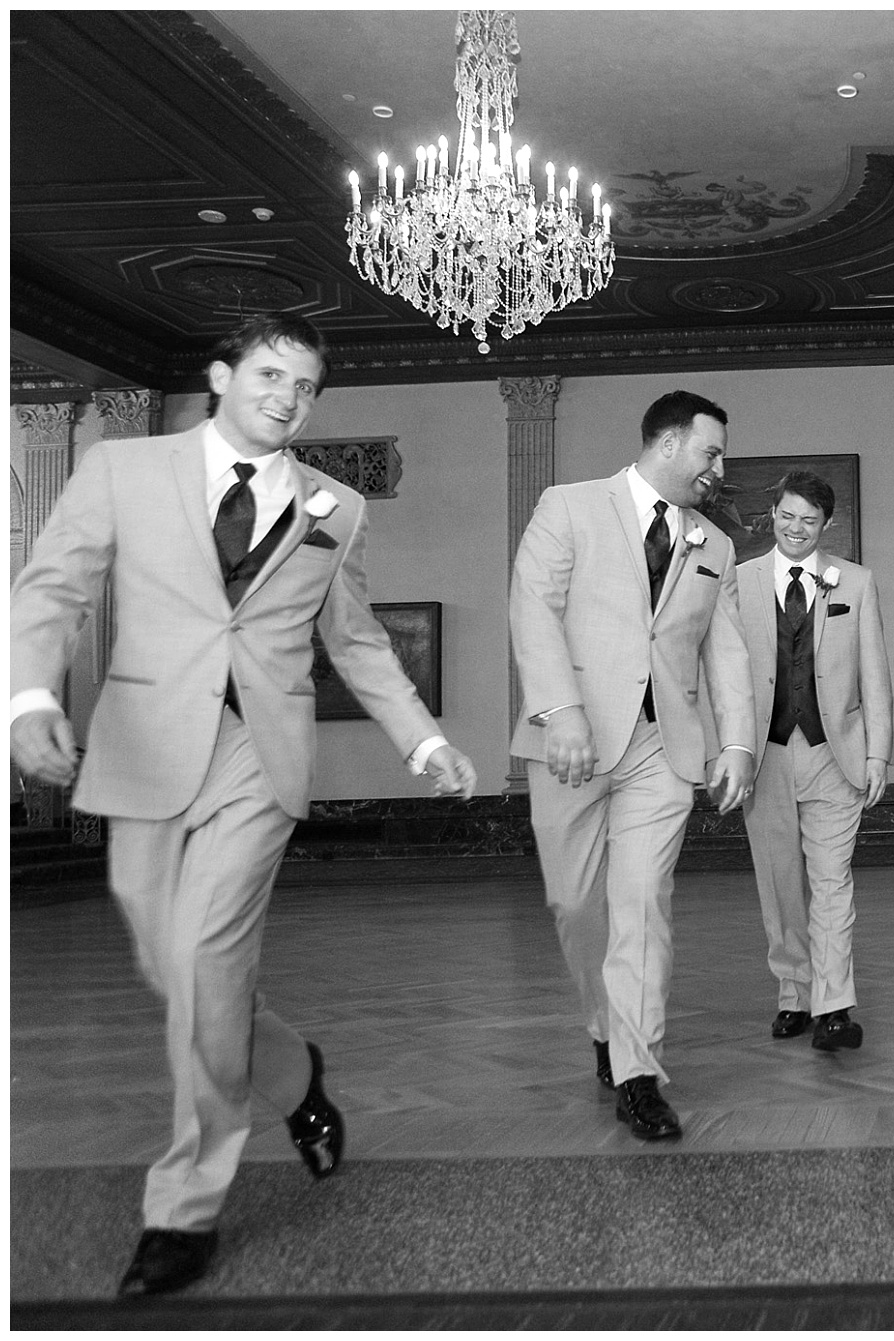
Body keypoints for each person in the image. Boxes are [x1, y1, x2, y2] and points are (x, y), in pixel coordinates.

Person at [9, 313, 479, 1297]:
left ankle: (182, 1210)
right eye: (269, 374)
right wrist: (29, 695)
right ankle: (294, 1075)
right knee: (172, 967)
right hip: (142, 748)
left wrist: (423, 739)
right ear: (223, 375)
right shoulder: (124, 474)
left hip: (258, 758)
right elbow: (51, 586)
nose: (285, 397)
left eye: (304, 387)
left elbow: (354, 642)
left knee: (207, 960)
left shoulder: (336, 507)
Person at [509, 389, 755, 1144]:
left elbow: (728, 649)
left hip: (664, 748)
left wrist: (738, 743)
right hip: (571, 743)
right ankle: (603, 1023)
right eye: (711, 451)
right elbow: (532, 608)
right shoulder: (569, 505)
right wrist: (562, 712)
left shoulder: (715, 546)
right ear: (670, 443)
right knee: (576, 904)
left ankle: (639, 1071)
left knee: (643, 901)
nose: (719, 467)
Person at [734, 471, 891, 1051]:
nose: (796, 529)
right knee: (780, 885)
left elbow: (874, 672)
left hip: (835, 753)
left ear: (827, 525)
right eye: (786, 516)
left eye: (809, 521)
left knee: (832, 884)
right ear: (771, 515)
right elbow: (721, 672)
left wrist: (877, 753)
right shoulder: (739, 581)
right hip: (764, 756)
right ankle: (793, 994)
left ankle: (832, 1006)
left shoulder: (856, 581)